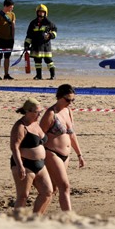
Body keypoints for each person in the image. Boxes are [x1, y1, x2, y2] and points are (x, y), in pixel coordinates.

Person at [40, 84, 85, 212]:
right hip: (51, 153)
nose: (70, 103)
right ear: (59, 97)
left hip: (65, 155)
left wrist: (79, 154)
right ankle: (69, 218)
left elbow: (71, 134)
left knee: (52, 189)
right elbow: (39, 136)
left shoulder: (68, 111)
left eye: (72, 100)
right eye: (67, 100)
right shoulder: (50, 114)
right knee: (65, 186)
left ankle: (37, 215)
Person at [10, 98, 53, 215]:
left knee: (47, 192)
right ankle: (17, 223)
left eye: (40, 111)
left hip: (40, 164)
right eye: (37, 112)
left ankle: (35, 218)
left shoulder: (36, 123)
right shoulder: (20, 126)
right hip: (25, 164)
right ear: (28, 111)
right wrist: (20, 166)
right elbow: (15, 147)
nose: (39, 114)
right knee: (23, 196)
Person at [24, 4, 57, 80]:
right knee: (37, 61)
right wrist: (26, 44)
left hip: (46, 46)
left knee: (48, 61)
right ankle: (39, 76)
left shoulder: (49, 23)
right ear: (37, 12)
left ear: (45, 13)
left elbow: (55, 32)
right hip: (36, 45)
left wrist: (50, 35)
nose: (41, 14)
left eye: (43, 12)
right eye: (39, 12)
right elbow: (29, 35)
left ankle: (53, 75)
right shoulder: (33, 23)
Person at [0, 0, 16, 80]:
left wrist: (13, 38)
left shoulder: (12, 15)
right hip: (1, 39)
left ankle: (6, 74)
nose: (11, 9)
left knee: (7, 57)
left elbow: (13, 27)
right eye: (10, 7)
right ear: (6, 6)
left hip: (9, 40)